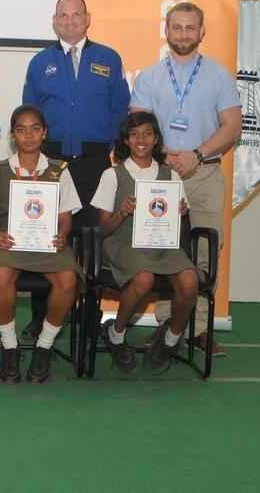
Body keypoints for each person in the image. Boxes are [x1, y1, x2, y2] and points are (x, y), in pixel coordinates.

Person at [129, 1, 241, 358]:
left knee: (205, 252)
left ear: (202, 32)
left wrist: (197, 154)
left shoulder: (220, 77)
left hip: (204, 173)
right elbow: (138, 126)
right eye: (176, 27)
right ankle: (168, 324)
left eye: (190, 27)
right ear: (167, 30)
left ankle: (199, 329)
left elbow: (232, 126)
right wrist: (164, 156)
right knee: (164, 252)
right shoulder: (148, 77)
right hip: (160, 176)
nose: (183, 34)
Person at [21, 0, 129, 338]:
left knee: (91, 237)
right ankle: (40, 316)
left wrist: (106, 146)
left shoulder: (109, 59)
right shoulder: (40, 63)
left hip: (95, 164)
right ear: (54, 21)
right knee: (46, 235)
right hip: (52, 162)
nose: (70, 21)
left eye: (76, 15)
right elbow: (29, 114)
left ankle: (88, 316)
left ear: (87, 19)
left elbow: (120, 109)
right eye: (63, 15)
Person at [0, 105, 82, 384]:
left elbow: (65, 217)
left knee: (68, 279)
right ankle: (9, 347)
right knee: (1, 273)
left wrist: (63, 235)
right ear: (12, 135)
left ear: (44, 133)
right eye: (21, 129)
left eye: (35, 129)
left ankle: (44, 347)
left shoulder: (59, 170)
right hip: (8, 240)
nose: (28, 135)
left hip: (47, 242)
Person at [91, 111, 198, 374]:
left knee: (189, 281)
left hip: (163, 244)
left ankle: (170, 339)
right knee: (144, 278)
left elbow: (179, 224)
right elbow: (102, 228)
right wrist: (122, 212)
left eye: (147, 134)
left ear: (156, 139)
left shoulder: (171, 176)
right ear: (126, 140)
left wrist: (181, 212)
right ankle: (116, 334)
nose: (141, 140)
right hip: (123, 242)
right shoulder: (112, 175)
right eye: (134, 134)